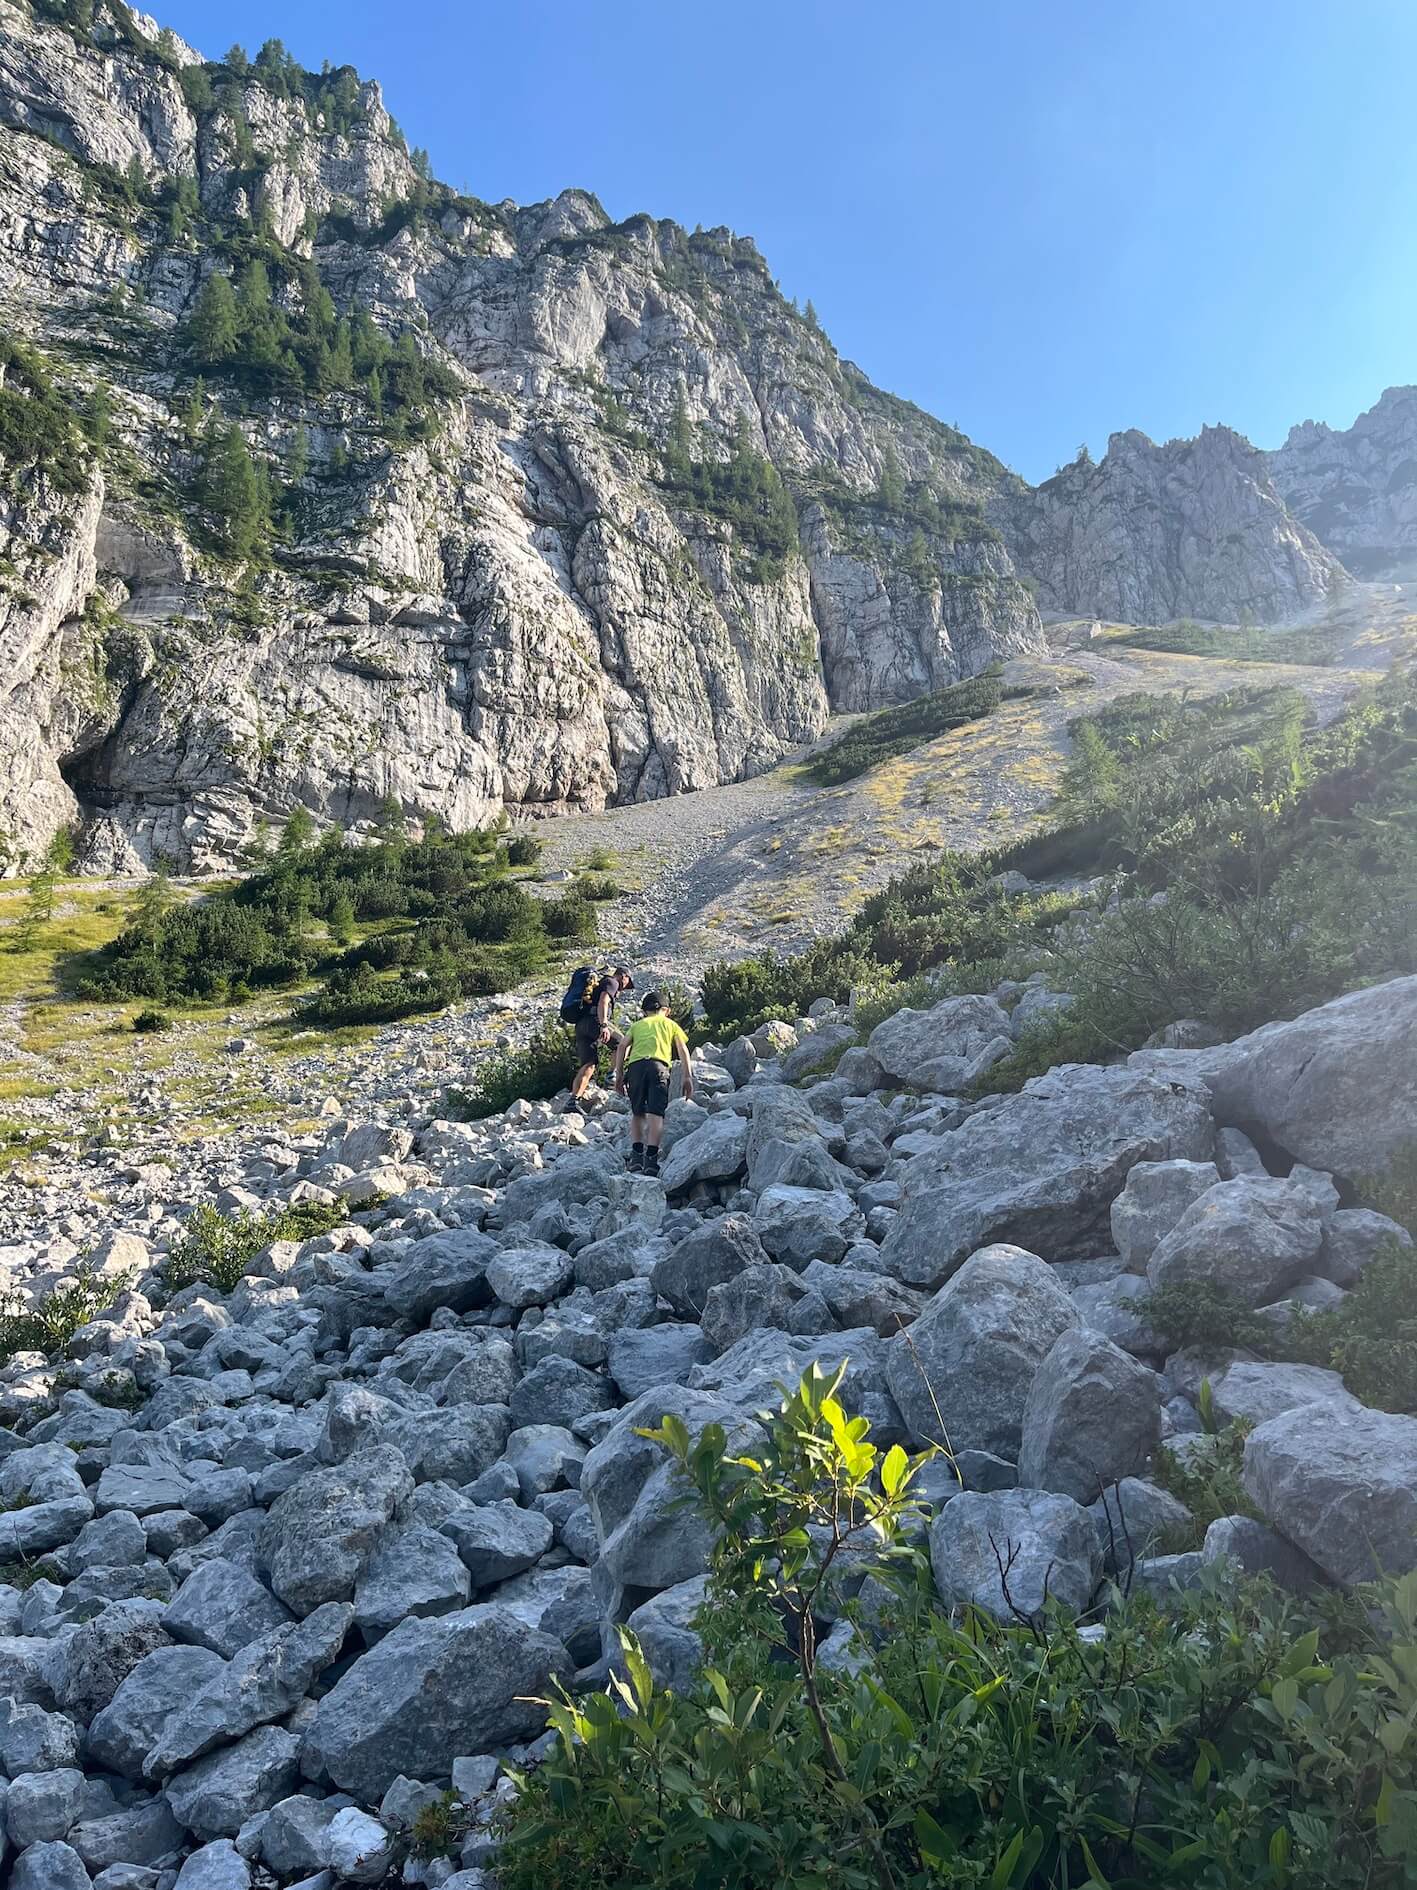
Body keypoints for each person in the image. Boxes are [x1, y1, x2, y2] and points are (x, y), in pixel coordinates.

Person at [613, 990, 693, 1176]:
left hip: (636, 1068)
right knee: (656, 1114)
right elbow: (682, 1049)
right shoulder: (670, 1024)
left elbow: (623, 1046)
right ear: (667, 1010)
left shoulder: (637, 1025)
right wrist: (687, 1076)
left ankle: (635, 1157)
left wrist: (618, 1074)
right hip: (659, 1067)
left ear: (644, 1011)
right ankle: (650, 1160)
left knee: (638, 1112)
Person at [565, 964, 634, 1117]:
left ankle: (573, 1101)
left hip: (581, 1025)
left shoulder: (599, 983)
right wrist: (603, 1025)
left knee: (589, 1064)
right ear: (624, 976)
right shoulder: (612, 982)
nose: (625, 988)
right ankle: (612, 1077)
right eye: (628, 983)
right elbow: (603, 1001)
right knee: (623, 1042)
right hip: (595, 1021)